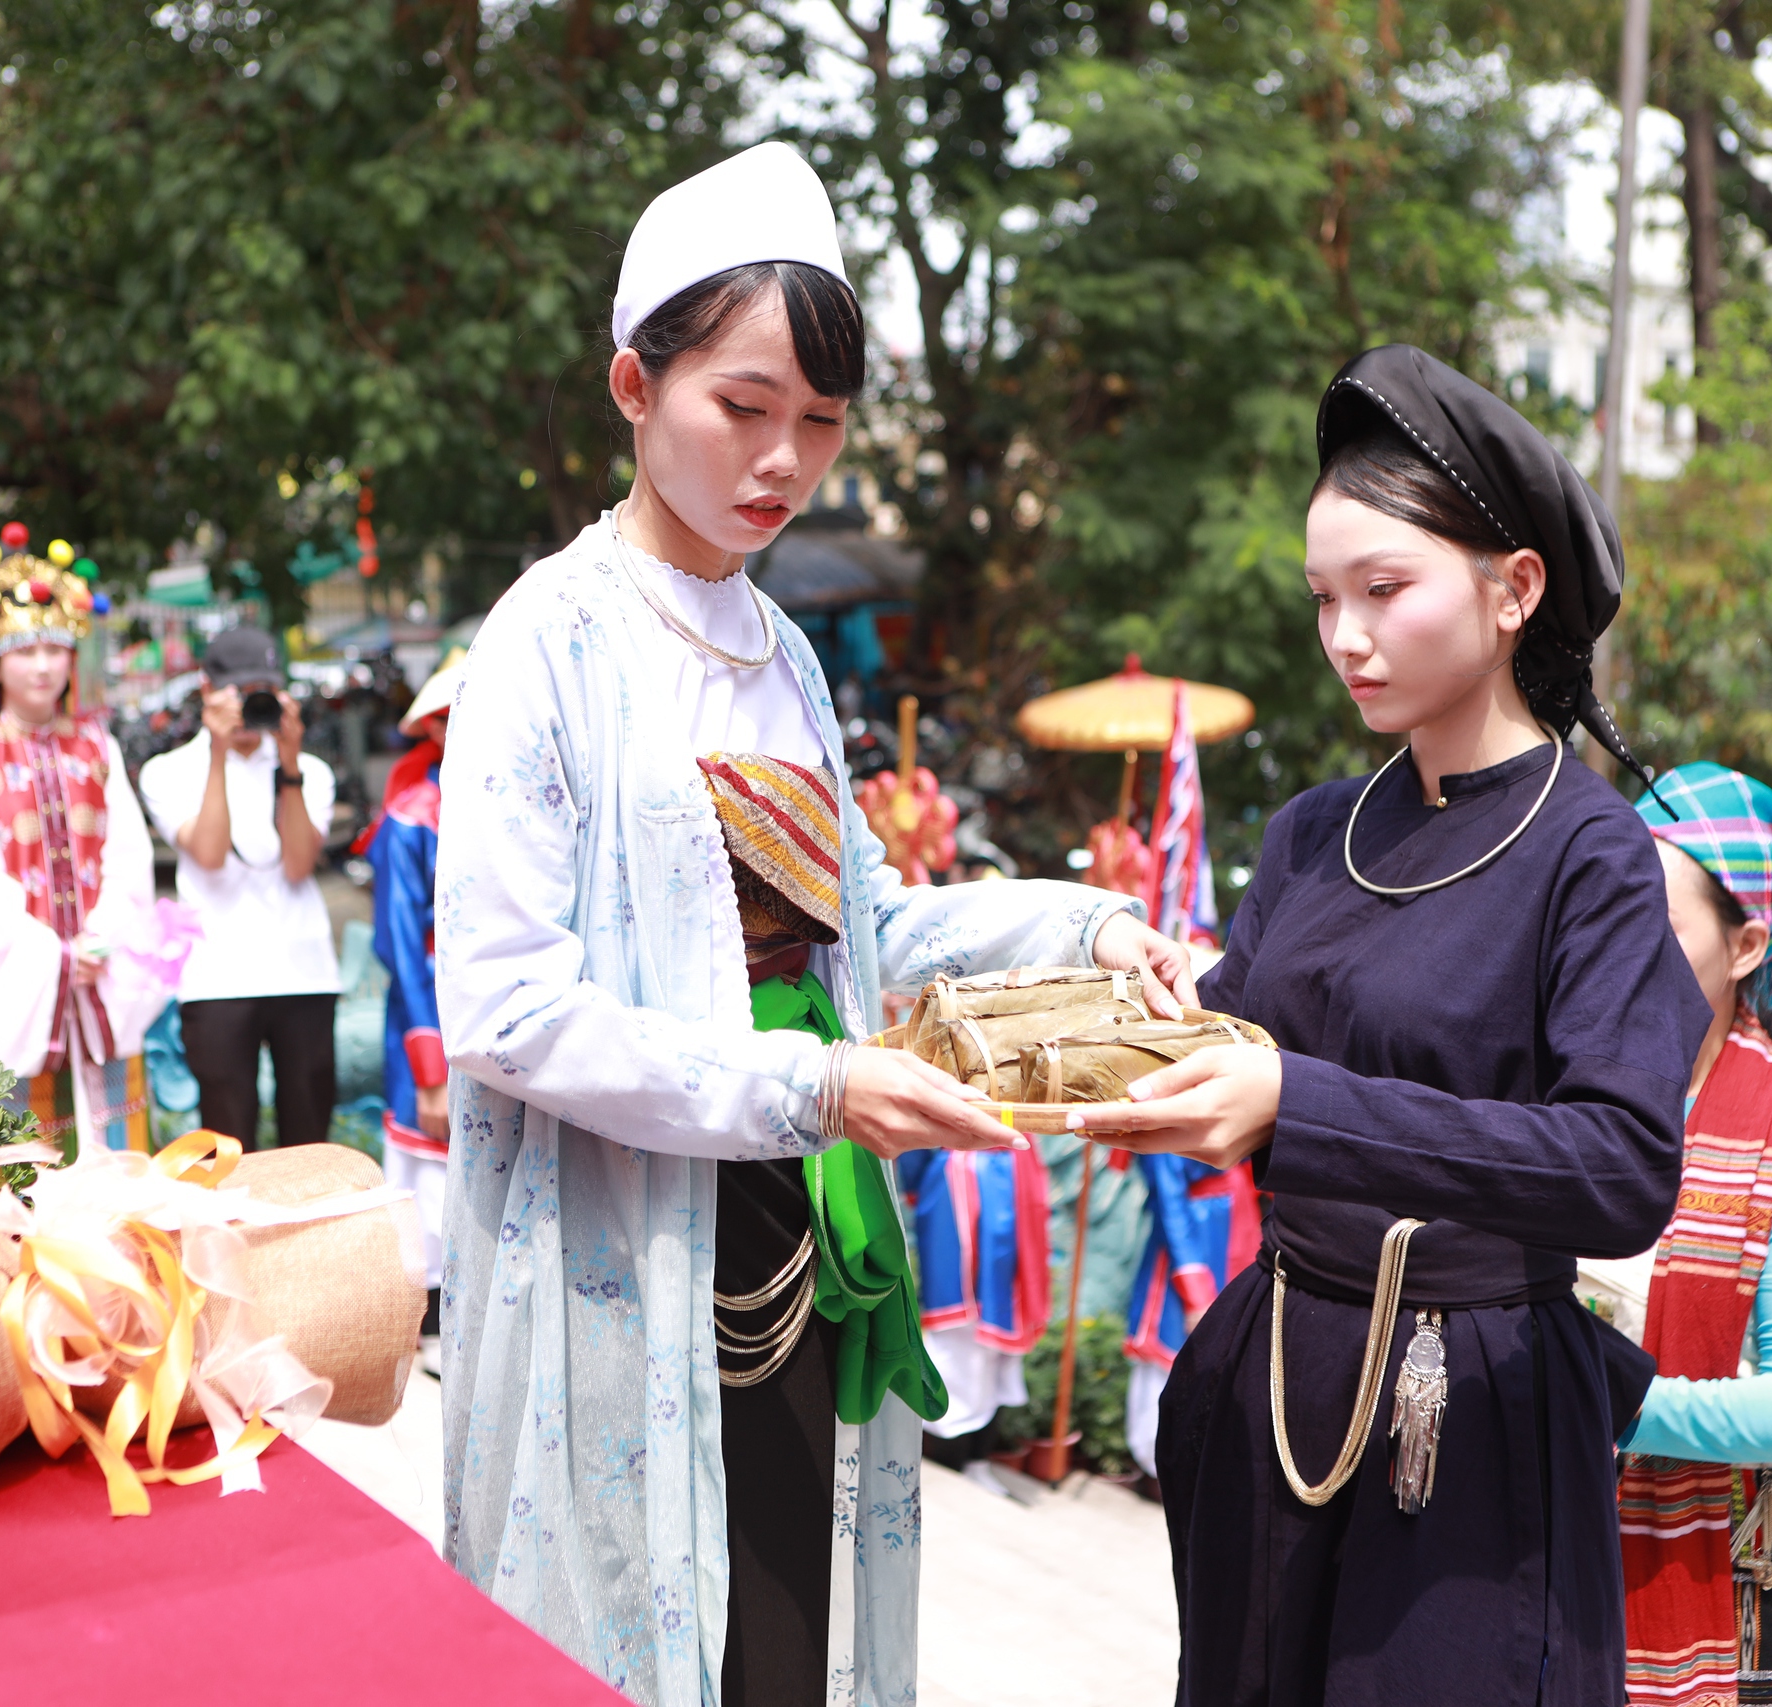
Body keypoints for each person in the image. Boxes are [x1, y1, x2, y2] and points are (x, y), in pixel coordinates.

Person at [433, 140, 1198, 1707]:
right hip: (619, 1239)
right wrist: (816, 1083)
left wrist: (1086, 929)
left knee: (776, 1635)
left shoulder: (784, 651)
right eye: (744, 405)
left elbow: (862, 927)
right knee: (615, 1638)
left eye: (823, 421)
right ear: (633, 384)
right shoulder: (545, 643)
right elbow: (506, 1009)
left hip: (791, 1226)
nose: (783, 460)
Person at [1072, 345, 1713, 1707]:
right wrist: (1132, 1025)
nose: (1345, 636)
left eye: (1383, 590)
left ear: (1513, 589)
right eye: (1324, 598)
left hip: (1465, 1418)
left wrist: (1293, 1102)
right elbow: (1236, 1047)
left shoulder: (1589, 852)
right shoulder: (1316, 829)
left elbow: (1620, 1167)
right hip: (1274, 1377)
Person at [1598, 762, 1772, 1707]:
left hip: (1739, 1613)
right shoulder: (1565, 1100)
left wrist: (1613, 1400)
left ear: (1746, 945)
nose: (1617, 948)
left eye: (1656, 923)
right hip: (1559, 1570)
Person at [0, 529, 164, 1152]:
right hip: (17, 997)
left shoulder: (97, 748)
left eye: (56, 648)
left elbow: (129, 863)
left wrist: (98, 943)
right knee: (22, 1173)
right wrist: (53, 957)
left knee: (118, 1172)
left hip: (101, 988)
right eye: (25, 650)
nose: (44, 665)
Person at [138, 625, 339, 1148]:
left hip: (303, 972)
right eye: (239, 690)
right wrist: (218, 754)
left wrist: (289, 762)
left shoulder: (310, 770)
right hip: (217, 977)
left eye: (262, 690)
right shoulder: (167, 771)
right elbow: (208, 854)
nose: (251, 704)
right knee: (227, 1147)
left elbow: (298, 864)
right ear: (207, 689)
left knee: (309, 1143)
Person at [358, 649, 460, 1323]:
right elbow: (399, 942)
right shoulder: (412, 815)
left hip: (500, 1012)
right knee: (431, 1186)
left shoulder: (519, 797)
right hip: (433, 1014)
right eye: (451, 717)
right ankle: (429, 1328)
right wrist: (429, 1072)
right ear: (433, 728)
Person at [896, 1140, 1050, 1477]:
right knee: (959, 1325)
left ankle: (975, 1459)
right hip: (963, 1186)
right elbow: (914, 1146)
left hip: (1014, 1181)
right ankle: (948, 1452)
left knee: (1000, 1330)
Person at [1121, 1154, 1258, 1485]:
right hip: (1195, 1236)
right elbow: (1171, 1202)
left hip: (1234, 1227)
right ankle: (1162, 1469)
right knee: (1173, 1357)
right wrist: (1194, 1288)